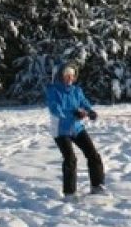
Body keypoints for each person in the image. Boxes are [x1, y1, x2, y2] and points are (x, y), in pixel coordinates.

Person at [45, 62, 106, 198]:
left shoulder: (76, 90)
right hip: (61, 130)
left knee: (93, 154)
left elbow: (84, 103)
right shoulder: (53, 90)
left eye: (72, 75)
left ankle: (97, 186)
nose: (70, 78)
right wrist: (74, 113)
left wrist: (90, 111)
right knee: (70, 159)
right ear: (60, 76)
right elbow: (55, 109)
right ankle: (69, 193)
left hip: (76, 128)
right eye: (67, 75)